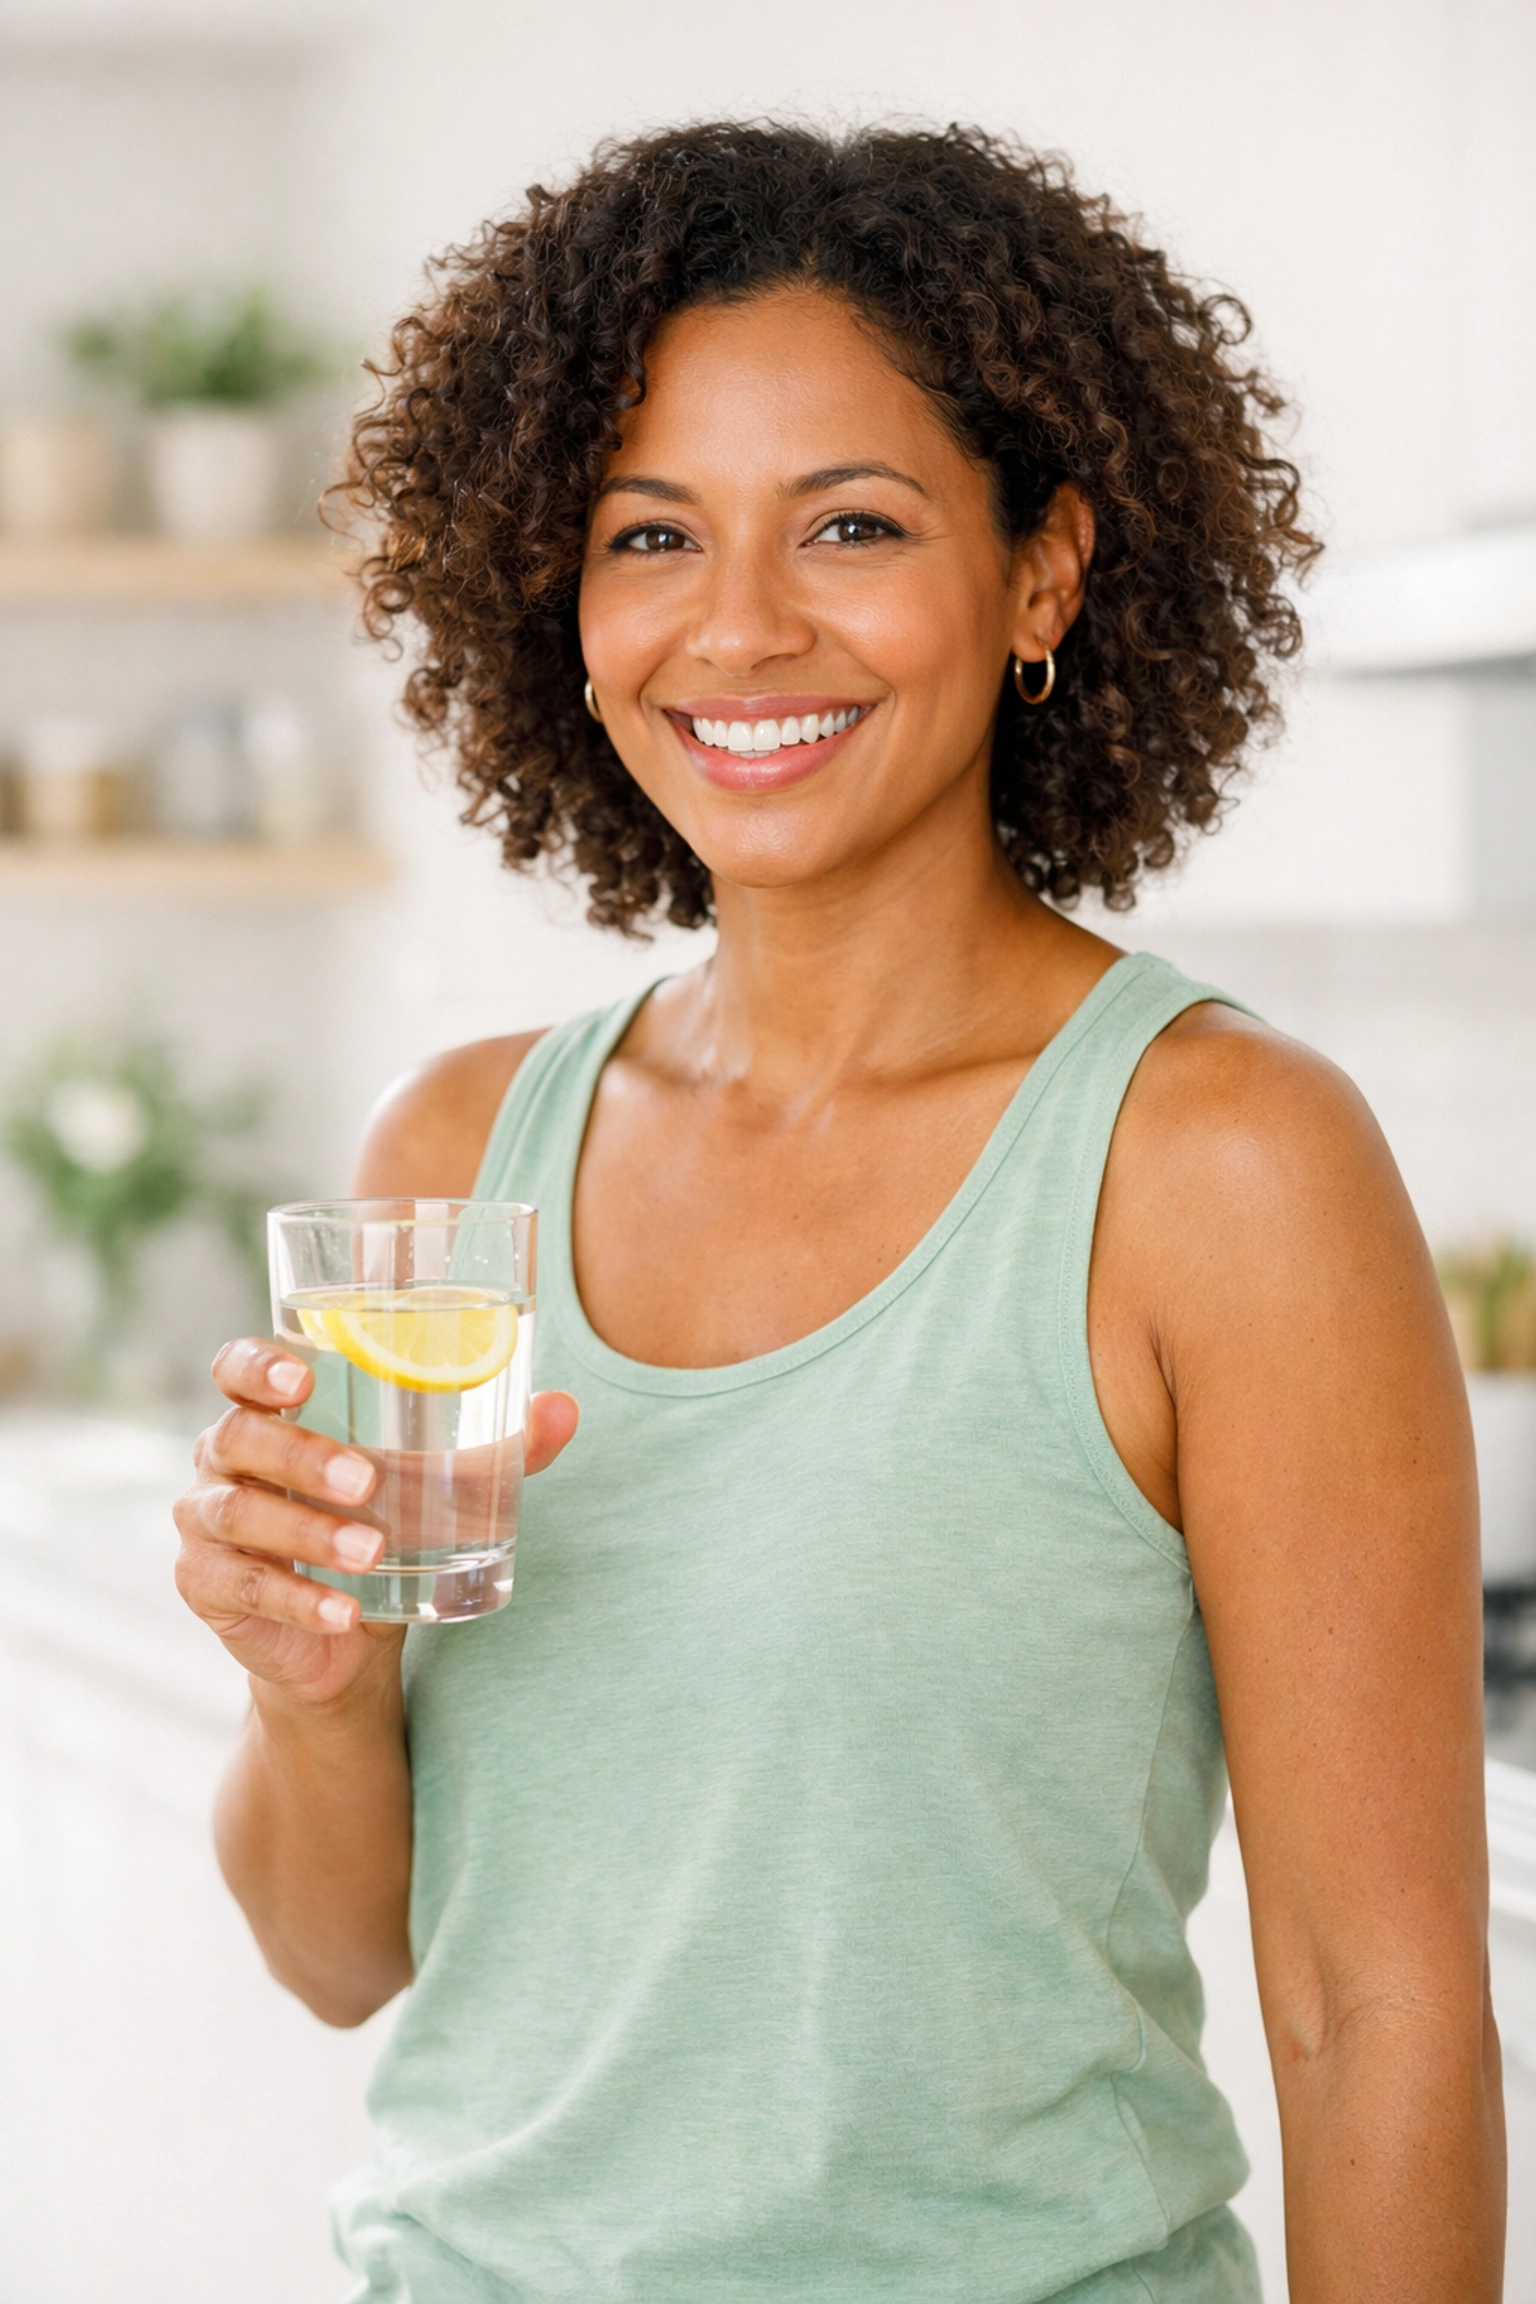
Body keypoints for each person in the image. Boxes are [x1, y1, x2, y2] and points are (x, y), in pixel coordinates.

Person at [172, 124, 1503, 2302]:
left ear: (1045, 572)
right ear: (561, 595)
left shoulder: (1218, 1165)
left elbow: (1379, 2018)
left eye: (854, 526)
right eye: (651, 534)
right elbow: (344, 1960)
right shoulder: (452, 1162)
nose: (741, 626)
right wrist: (311, 1691)